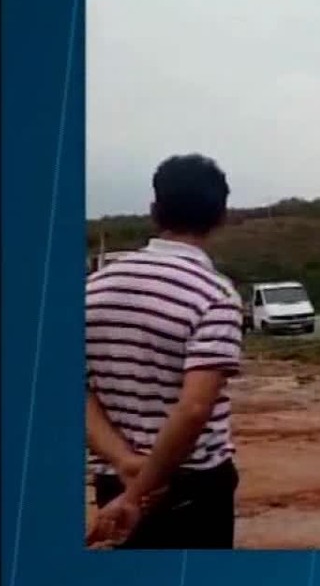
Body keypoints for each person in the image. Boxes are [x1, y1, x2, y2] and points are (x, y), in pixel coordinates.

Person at [85, 154, 243, 549]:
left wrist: (124, 462)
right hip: (189, 485)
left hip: (114, 476)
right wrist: (140, 492)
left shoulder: (92, 289)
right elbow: (193, 409)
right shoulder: (215, 294)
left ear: (154, 211)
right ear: (221, 217)